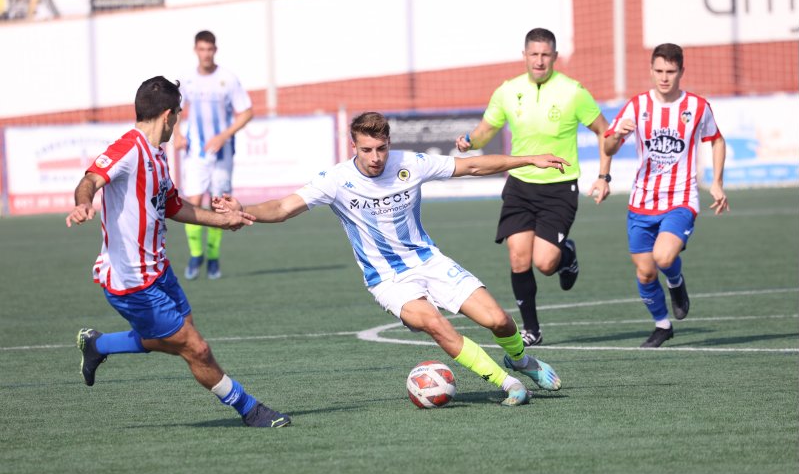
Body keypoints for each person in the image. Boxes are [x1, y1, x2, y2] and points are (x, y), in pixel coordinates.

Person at [214, 112, 567, 407]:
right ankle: (507, 383)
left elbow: (472, 167)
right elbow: (282, 207)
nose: (375, 157)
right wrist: (244, 210)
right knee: (434, 324)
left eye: (381, 148)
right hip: (388, 280)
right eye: (366, 149)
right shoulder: (336, 180)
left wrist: (528, 159)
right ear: (354, 146)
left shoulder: (410, 163)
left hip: (429, 261)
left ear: (389, 144)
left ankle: (520, 359)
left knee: (500, 321)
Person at [66, 76, 289, 428]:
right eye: (180, 114)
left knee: (173, 337)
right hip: (131, 283)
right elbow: (90, 179)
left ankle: (99, 345)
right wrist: (83, 204)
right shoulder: (128, 148)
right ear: (168, 115)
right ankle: (250, 409)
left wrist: (223, 221)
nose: (179, 121)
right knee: (195, 348)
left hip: (158, 270)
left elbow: (173, 206)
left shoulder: (157, 154)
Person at [456, 27, 612, 348]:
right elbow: (488, 129)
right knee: (518, 259)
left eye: (545, 55)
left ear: (555, 57)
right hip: (520, 186)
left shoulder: (573, 91)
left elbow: (603, 131)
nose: (539, 61)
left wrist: (604, 175)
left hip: (558, 189)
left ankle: (566, 253)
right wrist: (471, 140)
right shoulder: (507, 91)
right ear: (524, 56)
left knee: (545, 263)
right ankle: (531, 330)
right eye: (534, 54)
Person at [603, 43, 729, 348]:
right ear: (651, 70)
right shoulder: (636, 106)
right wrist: (618, 136)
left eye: (670, 71)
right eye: (658, 71)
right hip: (642, 201)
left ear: (681, 72)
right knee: (645, 273)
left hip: (681, 198)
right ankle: (662, 324)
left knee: (663, 256)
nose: (664, 77)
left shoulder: (697, 107)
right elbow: (607, 147)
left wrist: (717, 182)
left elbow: (717, 140)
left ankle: (675, 281)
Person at [173, 30, 254, 280]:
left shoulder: (228, 79)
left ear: (215, 50)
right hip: (195, 153)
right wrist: (177, 133)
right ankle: (196, 254)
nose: (206, 54)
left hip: (222, 153)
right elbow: (175, 108)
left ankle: (213, 256)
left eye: (210, 49)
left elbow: (246, 112)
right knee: (192, 203)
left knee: (219, 204)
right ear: (196, 50)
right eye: (202, 49)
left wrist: (223, 135)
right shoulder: (186, 79)